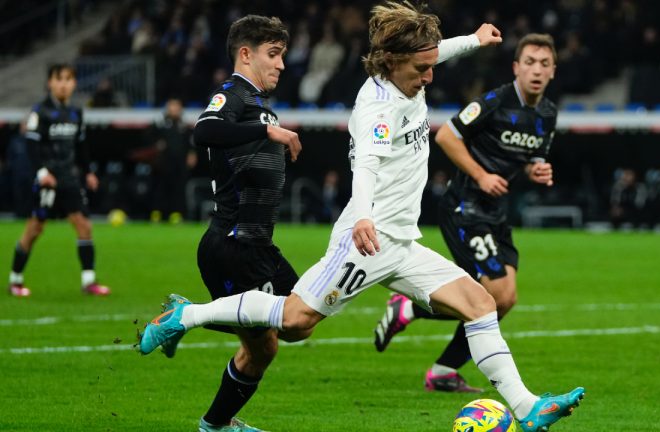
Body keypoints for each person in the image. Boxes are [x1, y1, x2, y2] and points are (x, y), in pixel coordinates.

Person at [139, 4, 584, 432]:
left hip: (402, 243)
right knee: (295, 321)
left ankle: (528, 407)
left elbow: (432, 54)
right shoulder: (377, 109)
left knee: (481, 304)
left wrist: (473, 40)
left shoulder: (408, 70)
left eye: (431, 66)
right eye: (421, 70)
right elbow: (366, 166)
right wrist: (364, 219)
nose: (429, 77)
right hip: (367, 241)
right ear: (393, 62)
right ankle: (187, 316)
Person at [371, 33, 561, 394]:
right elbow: (447, 137)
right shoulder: (495, 101)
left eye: (545, 64)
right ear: (516, 68)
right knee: (492, 295)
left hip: (495, 212)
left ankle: (441, 366)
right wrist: (481, 175)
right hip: (464, 206)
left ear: (553, 71)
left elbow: (532, 159)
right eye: (530, 62)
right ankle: (412, 314)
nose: (537, 70)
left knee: (504, 299)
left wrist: (538, 170)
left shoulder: (547, 114)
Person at [144, 15, 302, 432]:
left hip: (253, 245)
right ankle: (187, 314)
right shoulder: (231, 94)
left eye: (282, 55)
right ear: (245, 54)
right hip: (235, 246)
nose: (281, 65)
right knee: (289, 324)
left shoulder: (255, 105)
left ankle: (215, 424)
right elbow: (205, 130)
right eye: (273, 54)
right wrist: (270, 133)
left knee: (275, 338)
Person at [8, 64, 110, 297]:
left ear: (74, 83)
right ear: (50, 83)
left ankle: (89, 281)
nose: (64, 83)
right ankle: (15, 280)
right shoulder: (40, 112)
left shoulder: (76, 113)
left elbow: (81, 146)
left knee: (84, 225)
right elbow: (31, 145)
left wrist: (88, 172)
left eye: (68, 79)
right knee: (35, 229)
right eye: (59, 79)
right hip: (47, 181)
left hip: (69, 180)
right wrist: (42, 172)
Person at [148, 98, 197, 224]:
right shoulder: (160, 124)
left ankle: (176, 214)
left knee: (178, 189)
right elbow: (150, 140)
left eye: (177, 106)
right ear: (167, 108)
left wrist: (192, 154)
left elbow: (190, 143)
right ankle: (156, 213)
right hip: (163, 163)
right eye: (172, 106)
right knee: (160, 188)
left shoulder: (184, 126)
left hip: (179, 163)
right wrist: (156, 146)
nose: (174, 109)